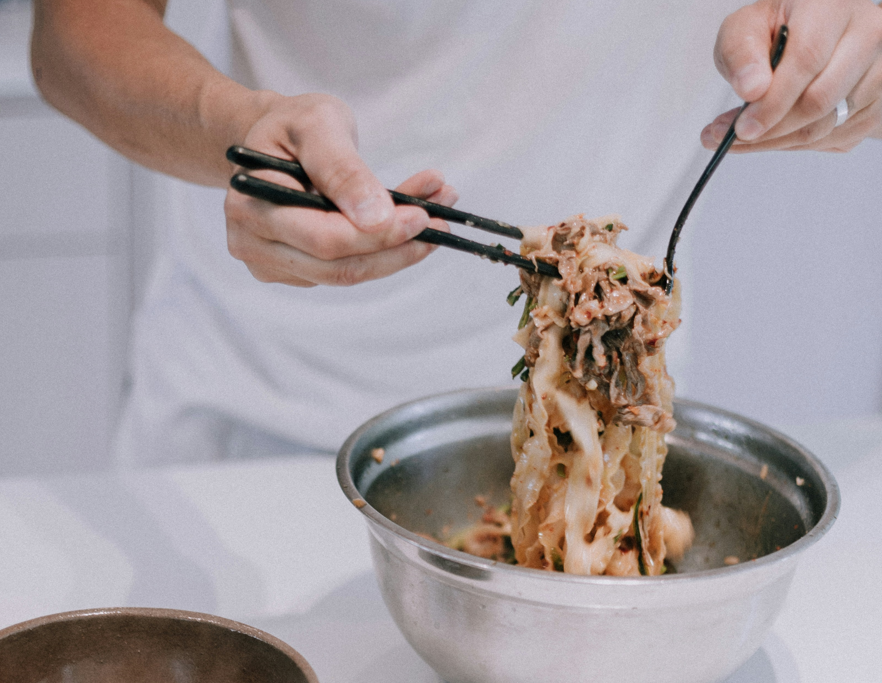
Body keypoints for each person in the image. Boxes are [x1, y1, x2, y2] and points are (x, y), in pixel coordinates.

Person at [30, 0, 882, 465]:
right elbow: (74, 28)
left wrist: (855, 59)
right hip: (262, 411)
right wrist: (232, 123)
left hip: (618, 421)